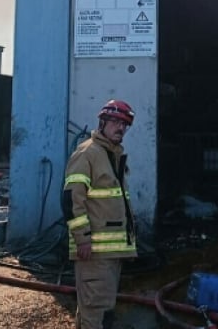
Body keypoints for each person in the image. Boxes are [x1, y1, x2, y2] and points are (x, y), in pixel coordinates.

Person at [62, 99, 138, 329]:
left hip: (109, 254)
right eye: (116, 121)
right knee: (95, 314)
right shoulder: (88, 153)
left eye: (125, 124)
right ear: (103, 122)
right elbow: (71, 199)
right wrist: (82, 238)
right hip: (93, 253)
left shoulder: (110, 154)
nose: (121, 128)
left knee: (99, 313)